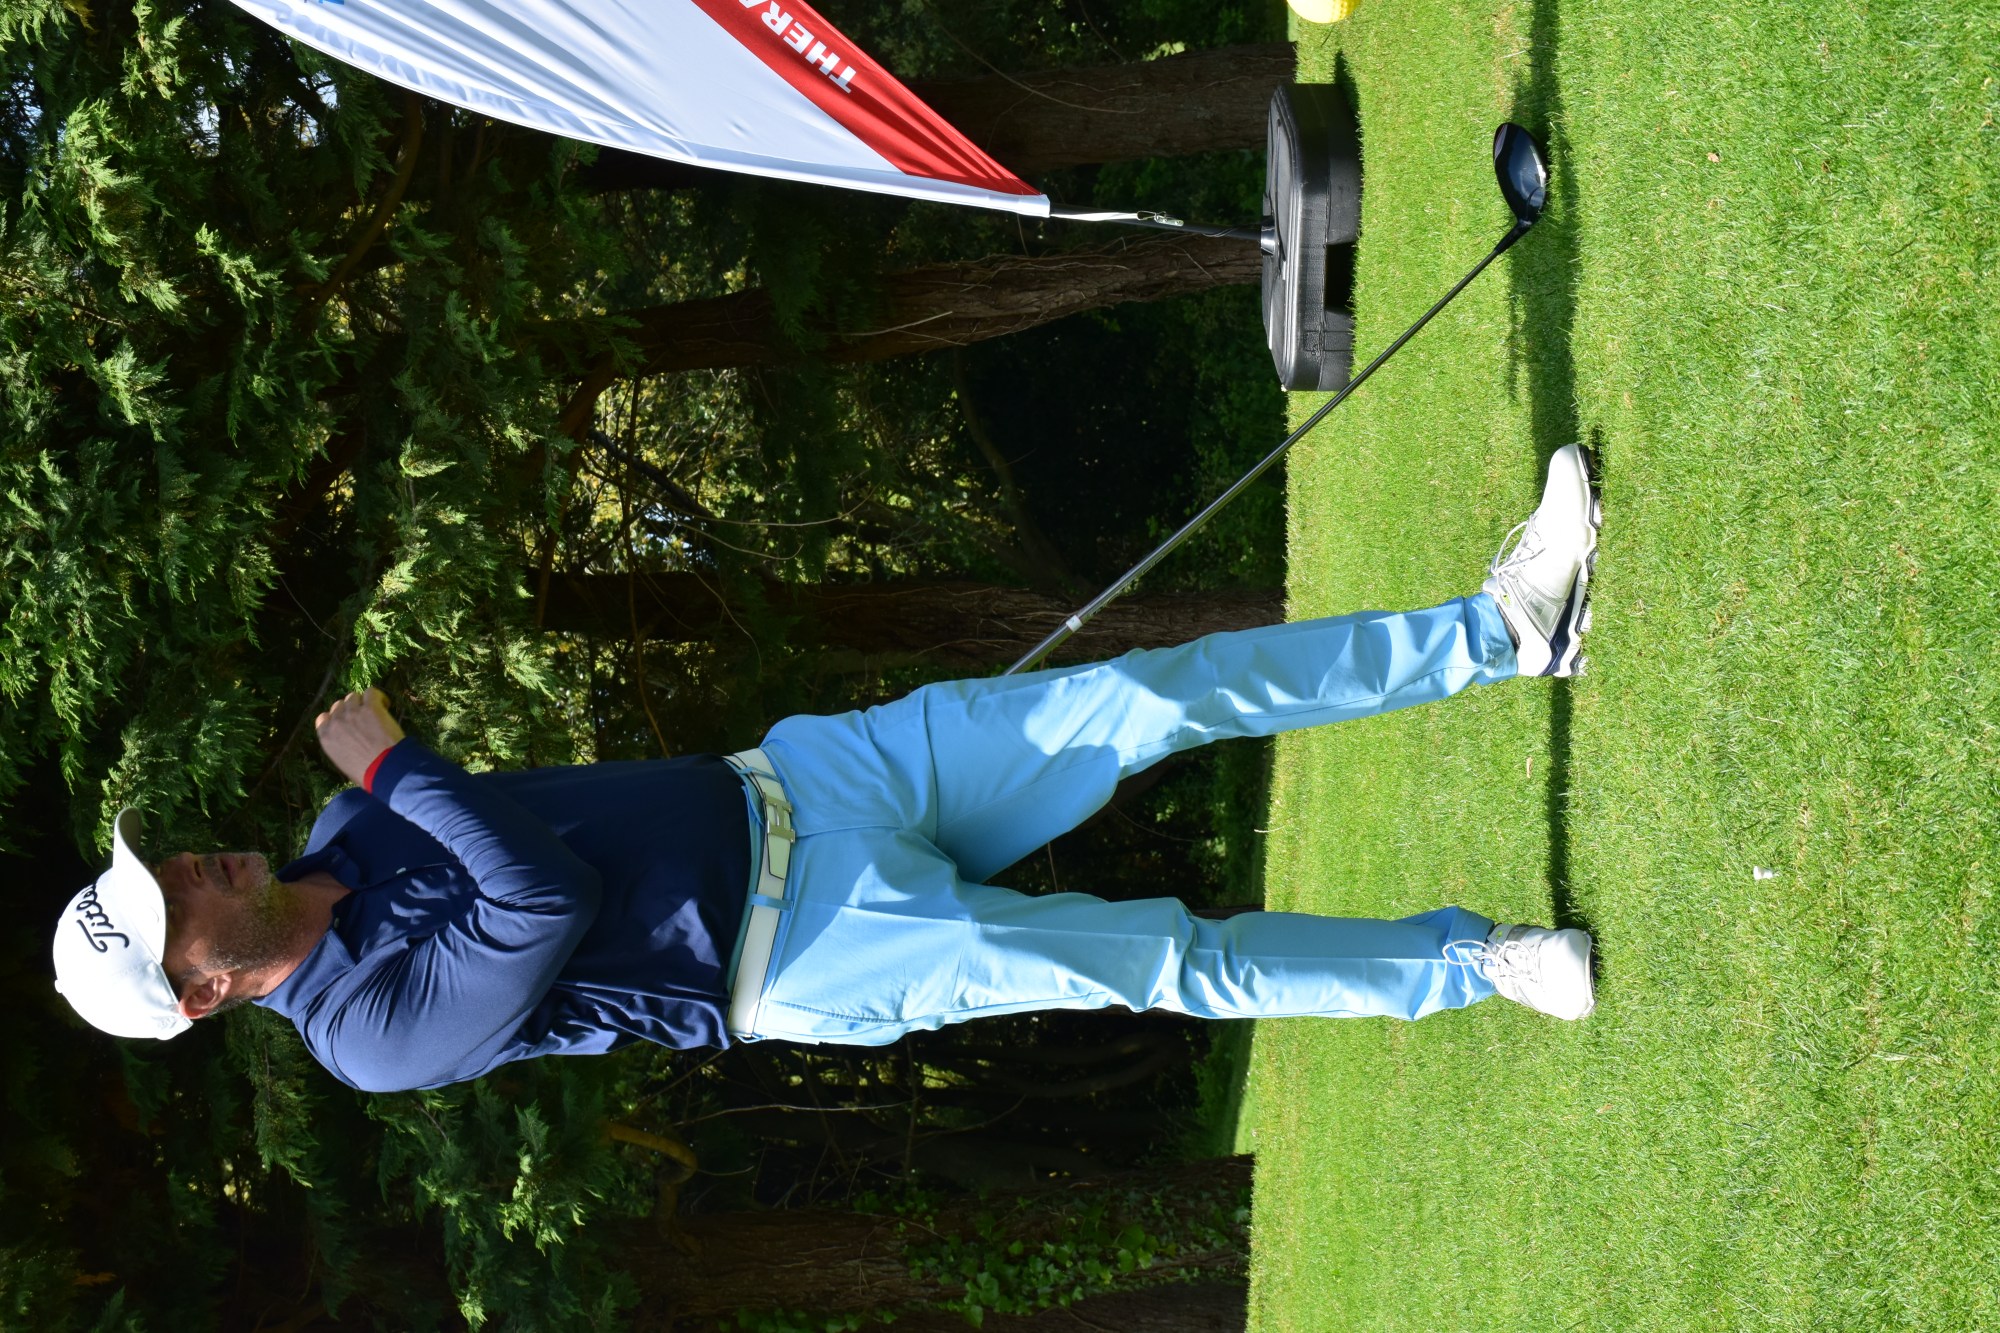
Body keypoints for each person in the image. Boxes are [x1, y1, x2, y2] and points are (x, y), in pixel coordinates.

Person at [53, 447, 1603, 1094]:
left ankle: (1505, 630)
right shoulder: (370, 1036)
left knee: (1150, 693)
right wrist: (398, 765)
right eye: (173, 903)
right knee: (1163, 958)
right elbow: (540, 900)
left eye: (165, 861)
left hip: (812, 779)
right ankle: (1479, 962)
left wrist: (386, 790)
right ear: (202, 991)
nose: (192, 865)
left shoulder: (341, 823)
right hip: (809, 951)